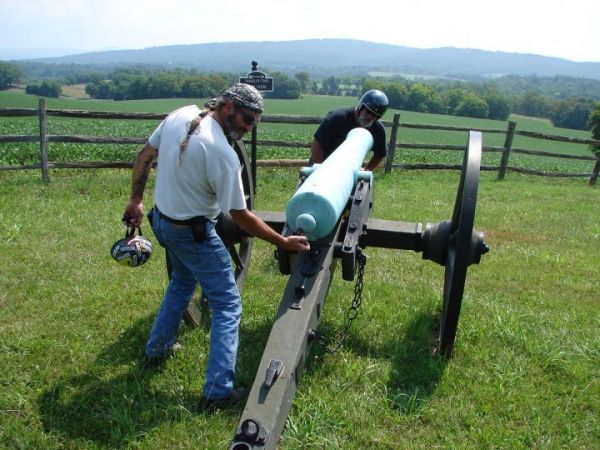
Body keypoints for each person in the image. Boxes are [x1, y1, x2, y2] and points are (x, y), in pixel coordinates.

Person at [122, 83, 310, 408]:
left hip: (163, 223)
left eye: (254, 123)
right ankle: (218, 392)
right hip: (192, 233)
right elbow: (241, 216)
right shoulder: (223, 154)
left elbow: (145, 155)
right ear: (228, 107)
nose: (248, 128)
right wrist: (281, 240)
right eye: (247, 119)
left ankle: (158, 348)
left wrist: (136, 200)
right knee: (227, 305)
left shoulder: (181, 114)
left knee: (181, 282)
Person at [310, 89, 389, 171]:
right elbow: (317, 144)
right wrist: (320, 169)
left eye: (374, 115)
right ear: (361, 107)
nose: (370, 117)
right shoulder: (336, 118)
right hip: (322, 164)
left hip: (348, 172)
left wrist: (366, 170)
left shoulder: (378, 129)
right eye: (368, 112)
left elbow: (380, 153)